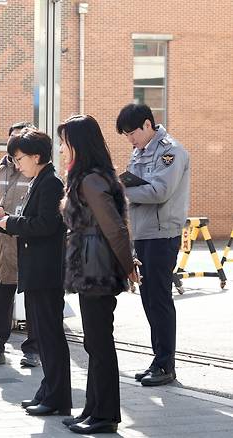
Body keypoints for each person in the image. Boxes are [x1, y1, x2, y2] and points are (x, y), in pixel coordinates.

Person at [59, 115, 138, 434]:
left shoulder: (91, 180)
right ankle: (93, 409)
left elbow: (115, 228)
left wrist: (130, 266)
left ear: (78, 144)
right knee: (95, 342)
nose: (62, 148)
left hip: (97, 267)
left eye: (65, 142)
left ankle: (105, 415)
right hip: (90, 264)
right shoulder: (90, 176)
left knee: (100, 343)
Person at [0, 128, 71, 416]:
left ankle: (57, 397)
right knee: (46, 336)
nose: (17, 164)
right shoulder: (38, 180)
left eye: (20, 158)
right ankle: (48, 392)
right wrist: (6, 219)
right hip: (36, 270)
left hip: (45, 271)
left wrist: (9, 224)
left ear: (36, 156)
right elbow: (32, 219)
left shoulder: (50, 183)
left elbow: (46, 226)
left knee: (50, 336)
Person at [116, 103, 190, 387]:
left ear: (148, 124)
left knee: (159, 299)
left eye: (132, 133)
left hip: (162, 234)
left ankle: (165, 365)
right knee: (149, 300)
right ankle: (158, 360)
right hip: (143, 233)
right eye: (126, 136)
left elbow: (160, 191)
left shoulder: (171, 151)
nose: (130, 140)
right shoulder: (140, 151)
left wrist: (122, 190)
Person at [0, 122, 40, 368]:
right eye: (13, 141)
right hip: (3, 242)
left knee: (33, 298)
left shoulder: (36, 171)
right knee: (2, 298)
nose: (16, 149)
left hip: (28, 242)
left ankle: (33, 349)